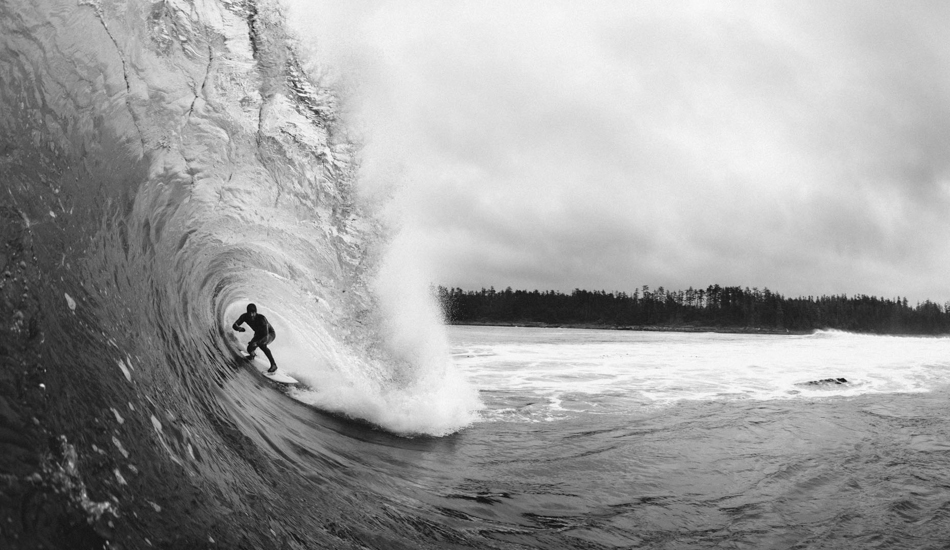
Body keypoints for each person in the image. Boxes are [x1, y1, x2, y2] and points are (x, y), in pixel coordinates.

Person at [232, 303, 278, 373]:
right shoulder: (245, 316)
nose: (251, 315)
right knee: (249, 348)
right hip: (258, 334)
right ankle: (252, 356)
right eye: (249, 313)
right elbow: (235, 325)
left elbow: (265, 336)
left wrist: (256, 343)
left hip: (269, 334)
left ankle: (273, 365)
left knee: (262, 345)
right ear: (247, 312)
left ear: (256, 312)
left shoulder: (262, 319)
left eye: (253, 313)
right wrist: (238, 328)